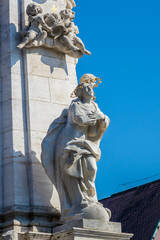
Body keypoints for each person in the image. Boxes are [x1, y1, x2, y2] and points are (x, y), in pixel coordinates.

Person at [41, 74, 110, 221]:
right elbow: (79, 120)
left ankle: (90, 197)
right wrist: (97, 118)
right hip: (69, 142)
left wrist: (103, 120)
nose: (91, 89)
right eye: (88, 86)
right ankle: (79, 201)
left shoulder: (94, 106)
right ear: (81, 90)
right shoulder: (75, 105)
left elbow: (102, 122)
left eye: (92, 86)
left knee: (92, 168)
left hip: (85, 143)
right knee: (73, 171)